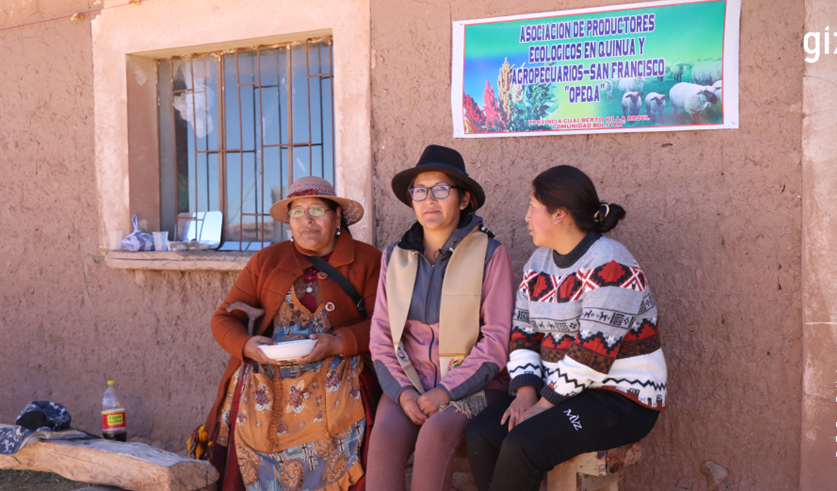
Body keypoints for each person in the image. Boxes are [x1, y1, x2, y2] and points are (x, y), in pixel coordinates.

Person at [465, 165, 668, 491]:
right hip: (555, 391)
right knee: (482, 434)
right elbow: (523, 334)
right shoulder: (538, 264)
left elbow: (593, 353)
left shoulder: (611, 263)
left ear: (559, 214)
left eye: (533, 206)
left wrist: (543, 405)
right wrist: (526, 391)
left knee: (523, 443)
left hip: (619, 398)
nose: (527, 216)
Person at [204, 176, 382, 491]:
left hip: (336, 370)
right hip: (269, 372)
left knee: (342, 414)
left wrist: (340, 343)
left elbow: (386, 324)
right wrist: (247, 345)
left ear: (336, 217)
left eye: (317, 209)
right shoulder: (267, 260)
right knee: (255, 421)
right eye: (298, 212)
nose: (307, 220)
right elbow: (223, 318)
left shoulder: (368, 260)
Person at [366, 145, 515, 491]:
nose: (429, 199)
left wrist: (446, 391)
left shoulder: (491, 255)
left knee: (434, 435)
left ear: (463, 200)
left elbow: (496, 340)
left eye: (441, 190)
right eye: (419, 191)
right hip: (409, 383)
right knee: (385, 435)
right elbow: (382, 335)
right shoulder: (395, 257)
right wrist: (402, 392)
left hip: (473, 387)